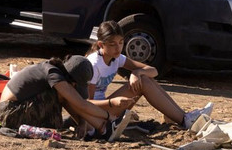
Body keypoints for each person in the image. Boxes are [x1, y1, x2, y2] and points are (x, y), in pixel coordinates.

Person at [85, 20, 213, 131]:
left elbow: (153, 71)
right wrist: (112, 103)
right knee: (143, 82)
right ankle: (184, 119)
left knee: (144, 78)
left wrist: (137, 72)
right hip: (95, 114)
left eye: (121, 42)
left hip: (107, 107)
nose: (118, 48)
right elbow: (87, 104)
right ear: (101, 45)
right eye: (112, 44)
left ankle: (180, 116)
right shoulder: (94, 64)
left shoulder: (116, 58)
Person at [0, 55, 114, 140]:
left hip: (12, 111)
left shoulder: (55, 71)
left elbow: (77, 102)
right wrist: (109, 116)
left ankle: (97, 128)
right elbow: (80, 103)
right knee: (62, 95)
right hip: (10, 114)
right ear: (72, 81)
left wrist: (82, 122)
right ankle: (103, 127)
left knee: (64, 96)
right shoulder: (53, 74)